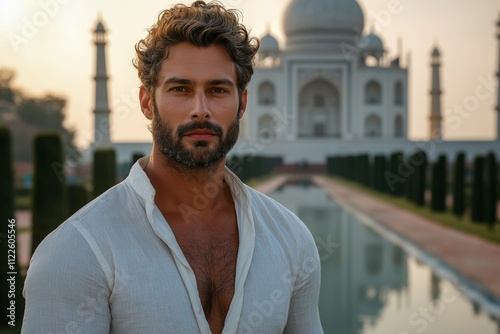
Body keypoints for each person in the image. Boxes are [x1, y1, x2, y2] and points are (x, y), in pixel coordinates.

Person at [22, 1, 323, 333]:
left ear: (242, 104)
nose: (200, 109)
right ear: (147, 102)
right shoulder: (78, 250)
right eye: (180, 89)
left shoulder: (290, 240)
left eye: (218, 90)